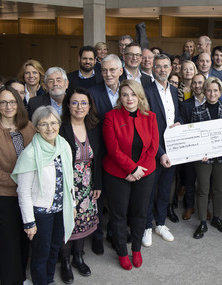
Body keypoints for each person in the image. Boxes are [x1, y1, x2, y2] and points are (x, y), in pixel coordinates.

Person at [0, 86, 36, 285]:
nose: (8, 106)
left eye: (12, 102)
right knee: (9, 241)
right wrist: (16, 178)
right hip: (3, 195)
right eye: (3, 102)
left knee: (24, 237)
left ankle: (21, 277)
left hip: (27, 194)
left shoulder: (28, 126)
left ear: (18, 104)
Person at [12, 106, 75, 285]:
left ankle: (48, 280)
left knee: (54, 249)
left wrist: (73, 205)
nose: (50, 128)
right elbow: (23, 191)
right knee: (41, 253)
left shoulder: (63, 145)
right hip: (41, 212)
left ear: (59, 124)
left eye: (53, 123)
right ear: (36, 127)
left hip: (61, 208)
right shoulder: (30, 153)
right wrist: (29, 222)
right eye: (44, 124)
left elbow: (69, 179)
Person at [102, 80, 159, 270]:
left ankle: (136, 249)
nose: (129, 98)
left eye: (133, 94)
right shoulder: (111, 117)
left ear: (139, 96)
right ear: (120, 97)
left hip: (145, 172)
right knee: (118, 215)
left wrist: (138, 170)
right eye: (125, 94)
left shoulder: (150, 117)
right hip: (117, 174)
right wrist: (131, 169)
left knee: (140, 212)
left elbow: (153, 147)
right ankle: (121, 252)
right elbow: (113, 149)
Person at [58, 88, 102, 283]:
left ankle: (78, 257)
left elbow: (98, 159)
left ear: (89, 106)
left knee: (83, 222)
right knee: (68, 224)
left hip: (88, 185)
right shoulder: (60, 127)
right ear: (68, 105)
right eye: (74, 102)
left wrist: (97, 184)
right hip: (67, 185)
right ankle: (66, 262)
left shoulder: (93, 127)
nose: (79, 107)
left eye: (83, 103)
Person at [142, 55, 182, 246]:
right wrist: (160, 153)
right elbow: (145, 126)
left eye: (166, 66)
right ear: (153, 68)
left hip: (172, 147)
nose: (162, 70)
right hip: (153, 149)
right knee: (150, 190)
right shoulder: (146, 91)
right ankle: (147, 226)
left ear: (170, 68)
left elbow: (177, 115)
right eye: (158, 66)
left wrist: (180, 123)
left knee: (166, 188)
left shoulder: (174, 90)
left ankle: (161, 223)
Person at [191, 77, 222, 239]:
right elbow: (195, 136)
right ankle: (202, 222)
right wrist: (199, 152)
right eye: (209, 90)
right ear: (204, 91)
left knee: (218, 189)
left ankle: (217, 218)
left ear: (220, 92)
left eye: (215, 90)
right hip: (203, 158)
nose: (212, 93)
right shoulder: (197, 111)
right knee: (203, 189)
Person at [179, 73, 206, 221]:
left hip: (207, 149)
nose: (197, 86)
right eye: (194, 83)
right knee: (189, 179)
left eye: (200, 82)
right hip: (190, 147)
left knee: (205, 181)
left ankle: (204, 207)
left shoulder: (212, 102)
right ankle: (189, 206)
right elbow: (182, 124)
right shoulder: (185, 104)